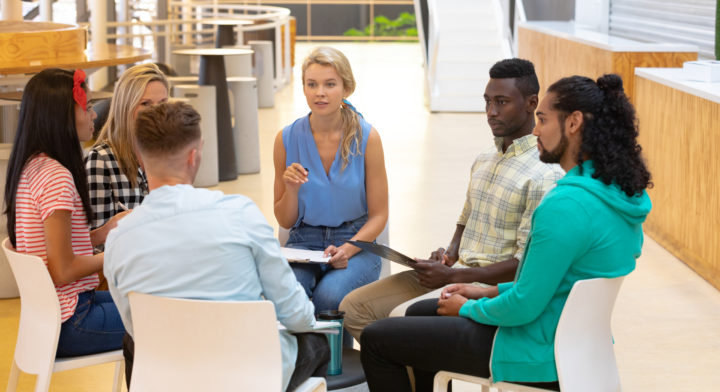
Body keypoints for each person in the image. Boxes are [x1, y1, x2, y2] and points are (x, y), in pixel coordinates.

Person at [359, 74, 653, 392]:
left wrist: (467, 308)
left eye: (542, 119)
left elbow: (525, 306)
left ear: (573, 123)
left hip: (532, 350)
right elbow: (552, 283)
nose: (536, 130)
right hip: (577, 344)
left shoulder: (566, 204)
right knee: (418, 313)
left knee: (377, 338)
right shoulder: (620, 194)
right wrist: (486, 292)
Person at [104, 102, 329, 391]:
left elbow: (136, 328)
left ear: (139, 156)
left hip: (169, 377)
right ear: (194, 156)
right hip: (248, 375)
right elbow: (295, 313)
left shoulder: (119, 240)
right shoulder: (240, 214)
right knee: (316, 344)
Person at [340, 58, 564, 341]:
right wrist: (447, 255)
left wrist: (452, 278)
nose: (491, 112)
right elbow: (464, 222)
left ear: (532, 103)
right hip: (455, 274)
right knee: (353, 307)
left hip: (486, 289)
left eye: (502, 102)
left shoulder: (544, 174)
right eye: (487, 102)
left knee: (395, 328)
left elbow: (524, 264)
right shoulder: (484, 159)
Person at [4, 68, 127, 357]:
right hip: (72, 320)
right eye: (87, 106)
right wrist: (119, 252)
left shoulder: (32, 166)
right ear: (61, 116)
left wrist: (104, 232)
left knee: (149, 302)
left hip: (51, 315)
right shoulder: (57, 177)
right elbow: (62, 271)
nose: (94, 115)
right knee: (165, 317)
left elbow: (52, 248)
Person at [273, 46, 388, 316]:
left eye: (329, 84)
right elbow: (285, 221)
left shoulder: (367, 138)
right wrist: (291, 190)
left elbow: (379, 215)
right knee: (292, 298)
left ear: (346, 89)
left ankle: (334, 359)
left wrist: (347, 250)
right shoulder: (286, 139)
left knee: (329, 299)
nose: (319, 93)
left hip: (357, 242)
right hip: (304, 242)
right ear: (303, 88)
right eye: (311, 84)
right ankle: (306, 360)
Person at [85, 63, 169, 231]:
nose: (157, 112)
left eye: (162, 103)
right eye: (146, 104)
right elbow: (99, 244)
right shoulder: (101, 162)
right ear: (126, 107)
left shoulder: (168, 155)